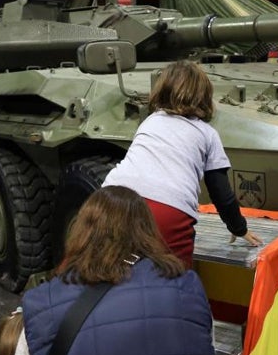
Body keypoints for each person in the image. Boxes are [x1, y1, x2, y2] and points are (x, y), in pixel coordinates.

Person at [13, 185, 216, 355]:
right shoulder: (189, 287)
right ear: (147, 231)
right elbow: (207, 350)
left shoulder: (41, 306)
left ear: (81, 232)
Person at [103, 60, 262, 266]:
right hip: (166, 210)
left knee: (109, 272)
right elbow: (221, 193)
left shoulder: (149, 121)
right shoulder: (207, 134)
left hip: (109, 200)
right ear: (204, 95)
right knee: (173, 282)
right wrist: (239, 228)